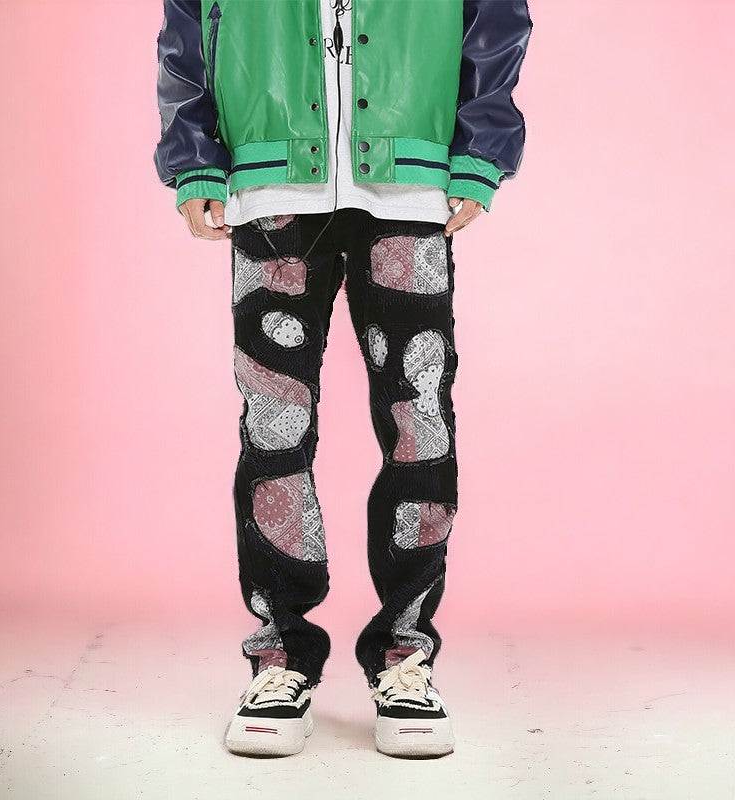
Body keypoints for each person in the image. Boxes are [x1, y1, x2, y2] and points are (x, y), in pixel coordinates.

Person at [154, 0, 531, 758]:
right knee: (274, 428)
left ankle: (404, 653)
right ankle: (282, 655)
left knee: (419, 425)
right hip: (272, 186)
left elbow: (495, 18)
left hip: (410, 186)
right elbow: (187, 27)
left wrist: (482, 147)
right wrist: (193, 153)